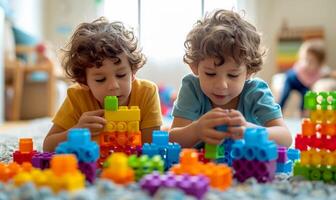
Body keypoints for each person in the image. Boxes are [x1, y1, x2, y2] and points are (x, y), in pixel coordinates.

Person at [169, 9, 292, 148]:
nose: (221, 85)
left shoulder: (256, 92)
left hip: (246, 165)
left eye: (233, 75)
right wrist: (196, 130)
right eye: (210, 73)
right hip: (203, 167)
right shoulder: (192, 88)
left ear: (249, 72)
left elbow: (285, 138)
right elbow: (173, 138)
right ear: (194, 67)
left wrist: (249, 129)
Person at [43, 17, 162, 152]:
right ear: (84, 82)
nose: (113, 86)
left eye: (121, 75)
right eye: (100, 79)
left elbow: (152, 147)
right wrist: (76, 131)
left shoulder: (146, 92)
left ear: (133, 72)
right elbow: (48, 146)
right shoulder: (77, 97)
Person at [279, 39, 327, 114]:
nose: (307, 64)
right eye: (306, 60)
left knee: (306, 94)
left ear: (319, 63)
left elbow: (326, 73)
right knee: (285, 92)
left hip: (303, 85)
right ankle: (280, 108)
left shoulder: (319, 70)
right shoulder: (302, 66)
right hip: (293, 80)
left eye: (311, 61)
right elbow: (305, 79)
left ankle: (302, 112)